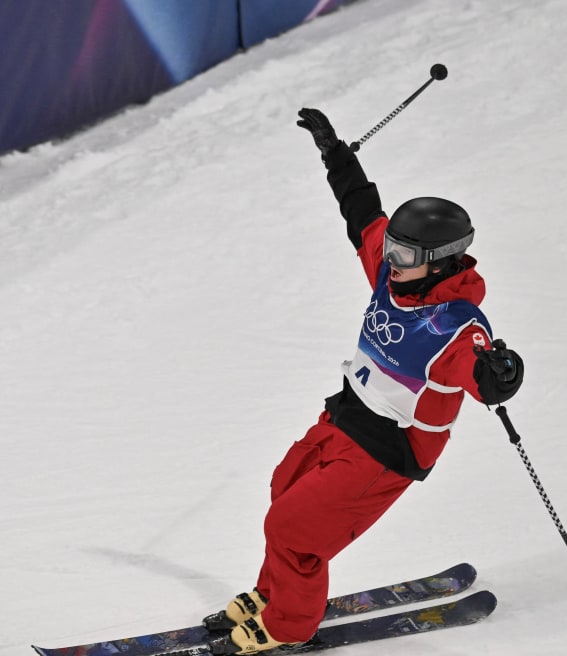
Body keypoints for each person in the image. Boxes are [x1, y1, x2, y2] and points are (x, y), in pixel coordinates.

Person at [204, 108, 525, 655]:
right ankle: (275, 591)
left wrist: (503, 373)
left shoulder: (455, 327)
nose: (390, 260)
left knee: (295, 528)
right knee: (285, 488)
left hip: (391, 446)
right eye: (393, 249)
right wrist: (337, 156)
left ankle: (289, 625)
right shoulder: (393, 274)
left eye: (404, 254)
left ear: (440, 262)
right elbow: (363, 215)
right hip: (348, 414)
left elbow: (485, 381)